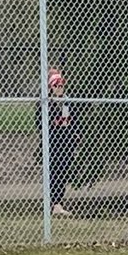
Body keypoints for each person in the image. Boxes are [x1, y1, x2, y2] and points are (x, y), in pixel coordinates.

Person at [41, 68, 77, 217]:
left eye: (61, 85)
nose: (59, 88)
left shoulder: (67, 102)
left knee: (63, 172)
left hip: (66, 143)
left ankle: (58, 203)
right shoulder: (46, 103)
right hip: (52, 142)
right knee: (53, 172)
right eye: (56, 85)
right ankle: (51, 202)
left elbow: (73, 122)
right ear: (50, 87)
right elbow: (42, 123)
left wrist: (75, 137)